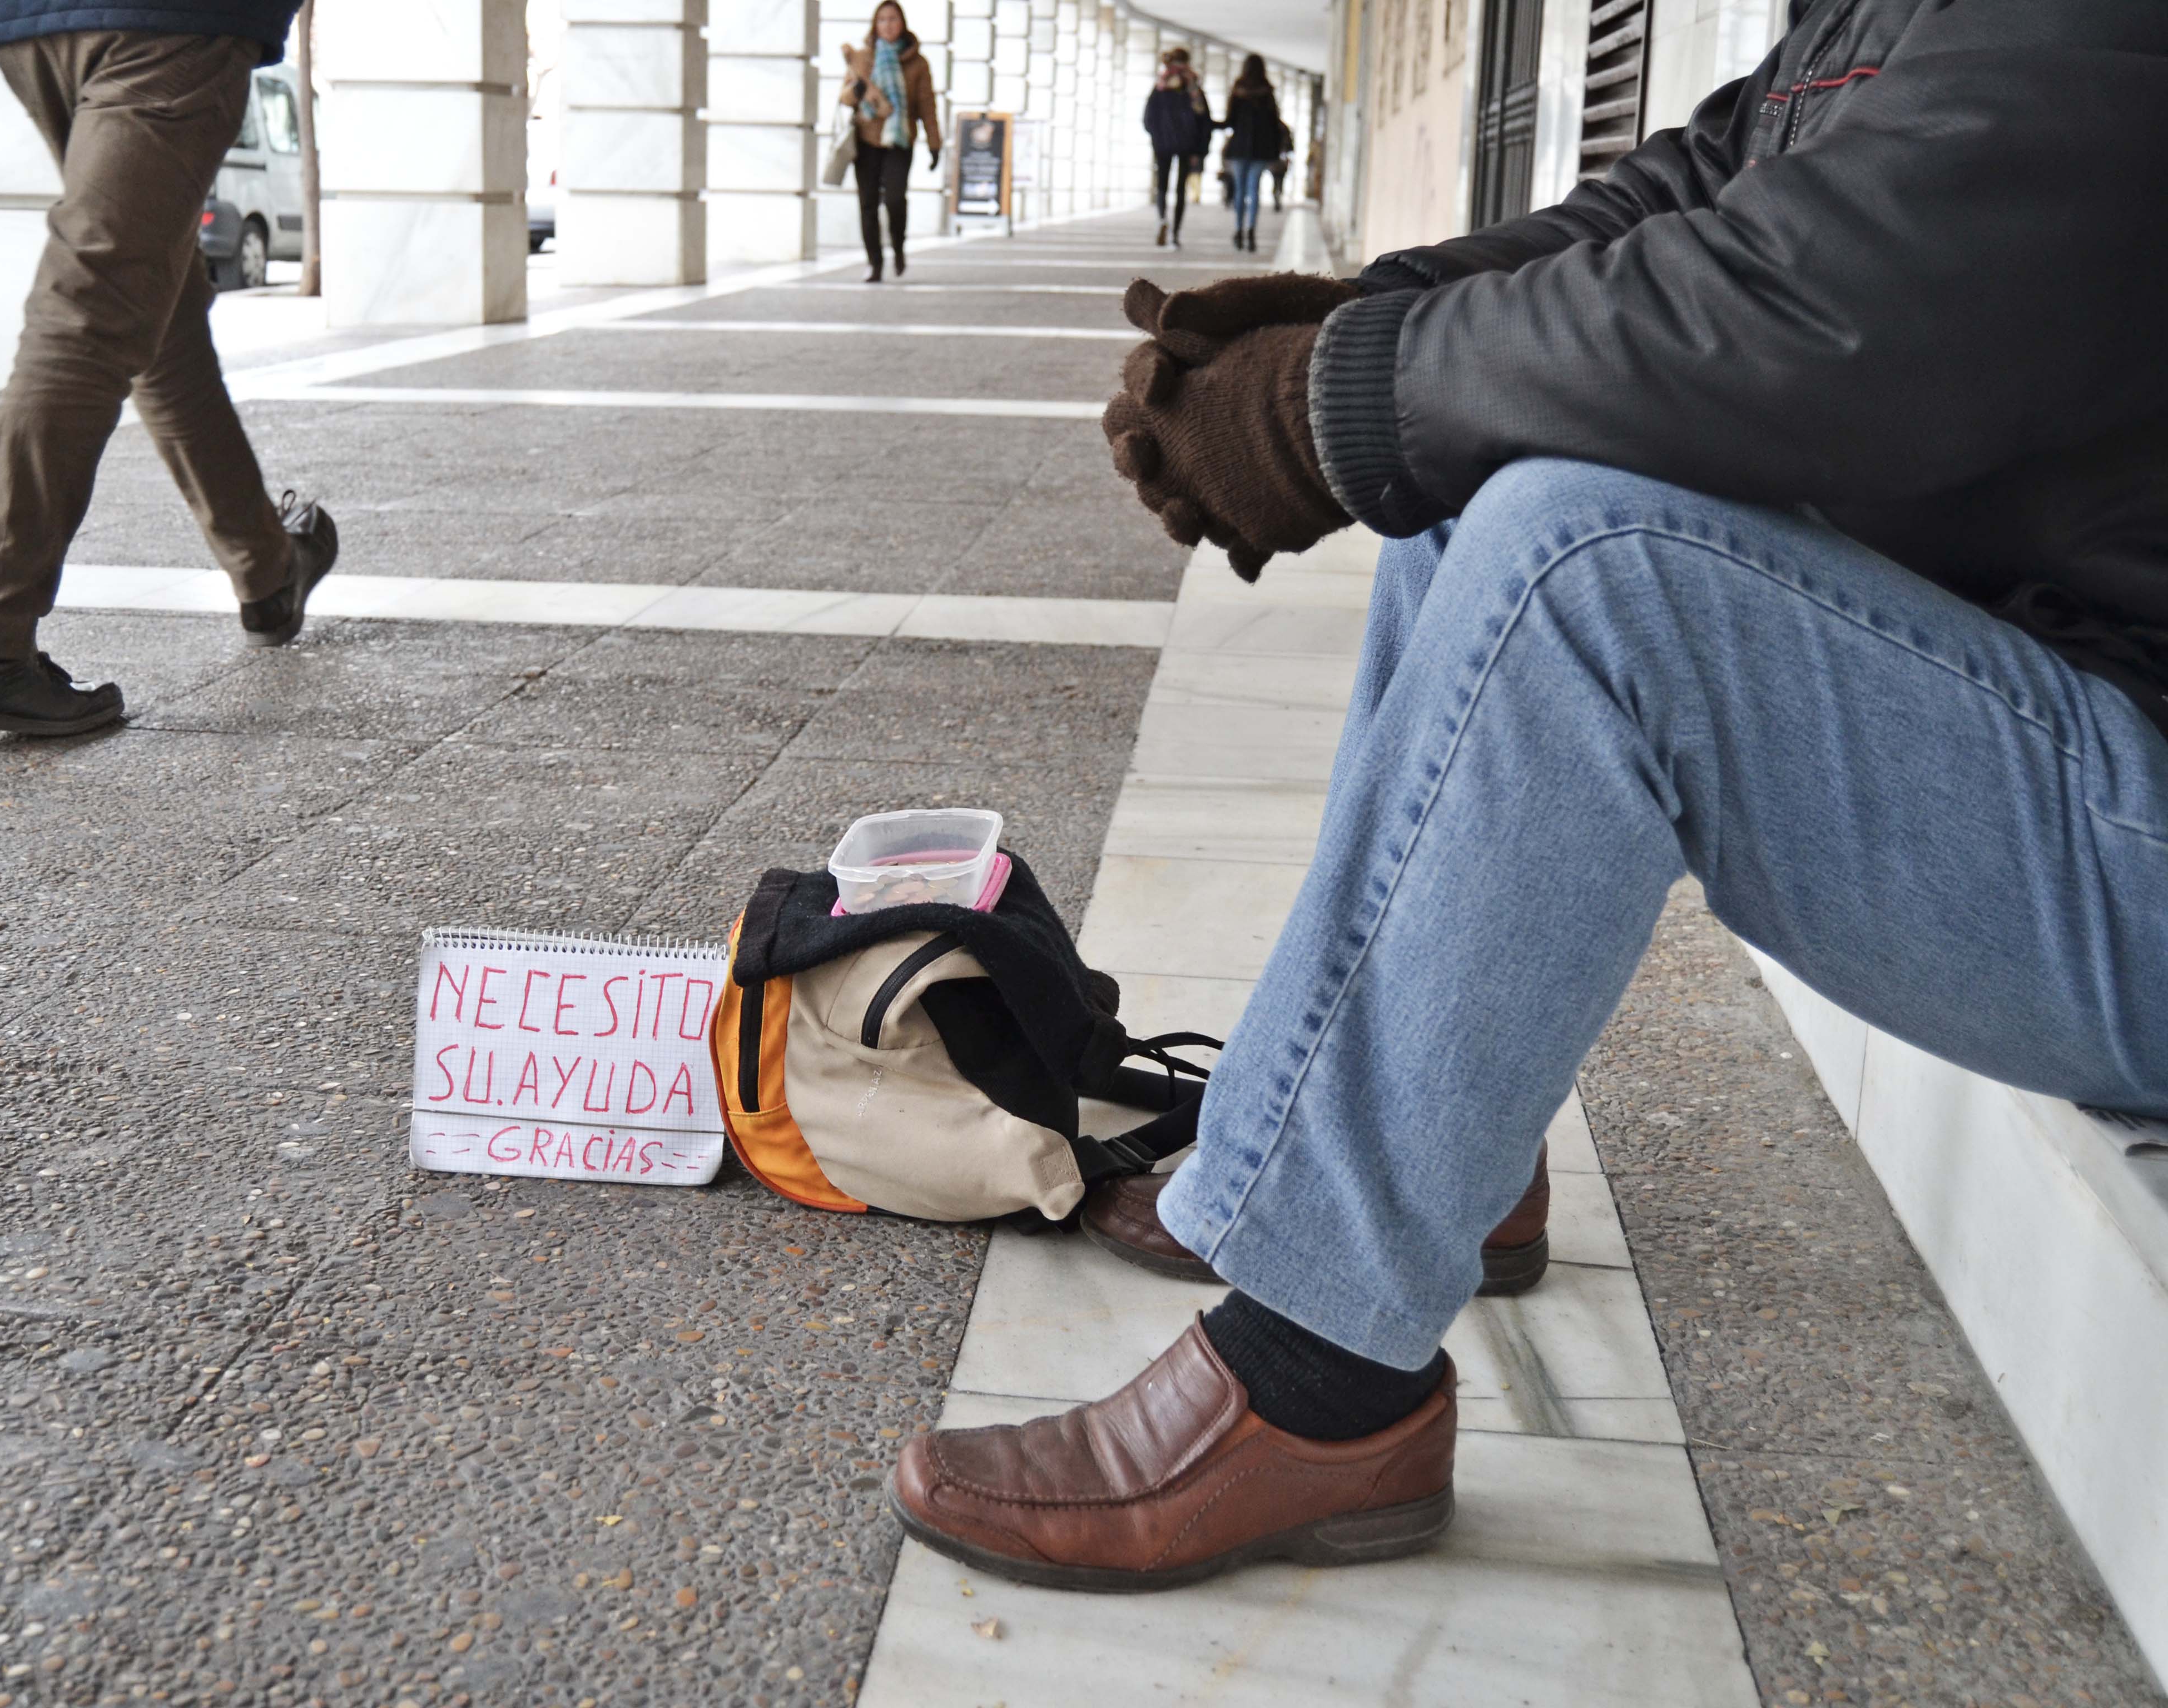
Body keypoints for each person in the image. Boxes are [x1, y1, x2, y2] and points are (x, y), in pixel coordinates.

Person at [890, 0, 2168, 1592]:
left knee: (1586, 570)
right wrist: (1347, 320)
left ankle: (1319, 1378)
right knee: (1488, 490)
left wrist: (1331, 402)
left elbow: (1830, 306)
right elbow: (1669, 208)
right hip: (2074, 733)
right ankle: (1448, 1172)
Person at [0, 0, 338, 737]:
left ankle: (269, 569)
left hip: (32, 25)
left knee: (153, 303)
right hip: (173, 20)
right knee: (94, 308)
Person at [839, 2, 942, 286]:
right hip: (867, 139)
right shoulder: (861, 58)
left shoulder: (918, 63)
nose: (887, 25)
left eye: (893, 19)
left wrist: (935, 144)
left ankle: (898, 245)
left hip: (900, 139)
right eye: (882, 20)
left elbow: (927, 106)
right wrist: (856, 91)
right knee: (868, 203)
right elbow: (845, 98)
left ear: (902, 23)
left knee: (895, 199)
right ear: (875, 25)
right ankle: (875, 262)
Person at [1141, 47, 1212, 249]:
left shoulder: (1161, 86)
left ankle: (1162, 219)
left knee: (1163, 186)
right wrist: (1201, 150)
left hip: (1162, 145)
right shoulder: (1194, 89)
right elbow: (1204, 121)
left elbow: (1148, 118)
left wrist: (1157, 137)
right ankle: (1175, 235)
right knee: (1181, 188)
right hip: (1187, 146)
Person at [1219, 55, 1283, 252]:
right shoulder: (1267, 92)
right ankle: (1251, 231)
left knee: (1240, 191)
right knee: (1254, 191)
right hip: (1261, 150)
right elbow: (1275, 123)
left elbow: (1229, 121)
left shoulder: (1238, 92)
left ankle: (1239, 230)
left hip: (1239, 148)